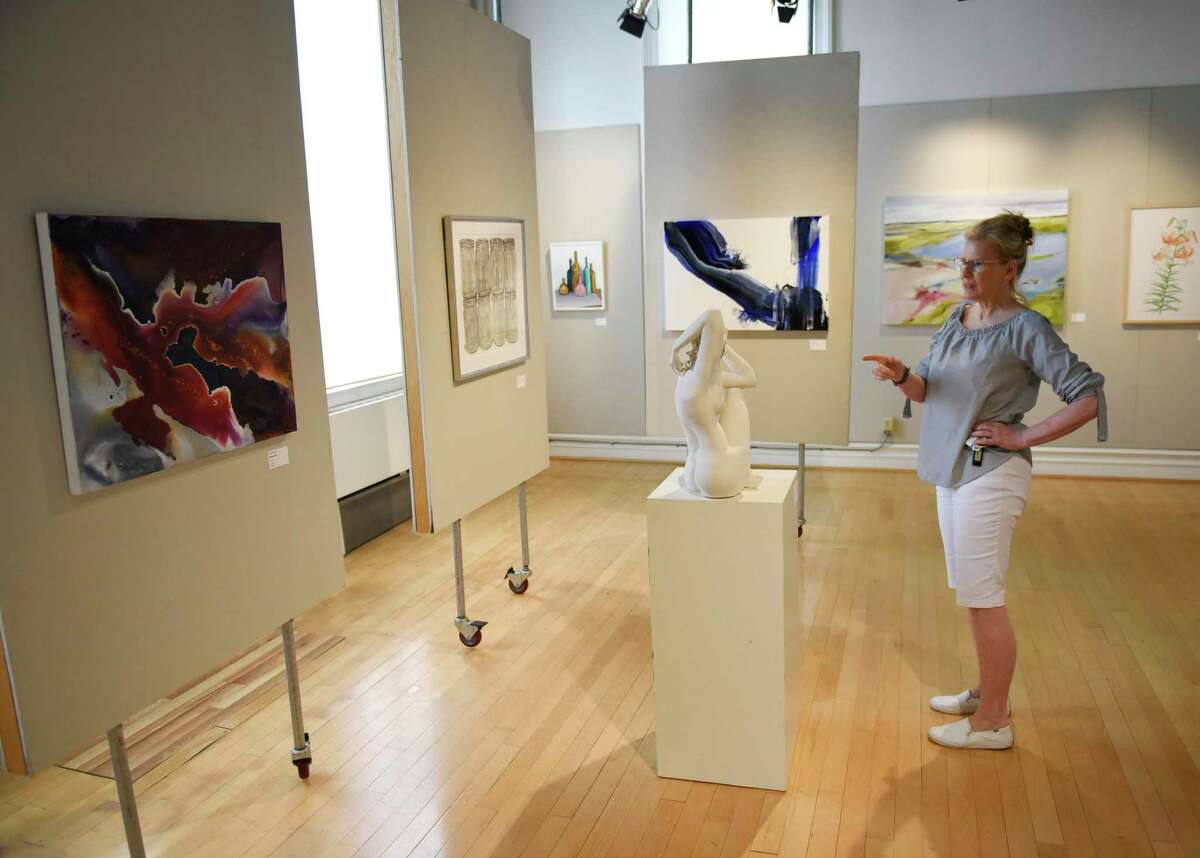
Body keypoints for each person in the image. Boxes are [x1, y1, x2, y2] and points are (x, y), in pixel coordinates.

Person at [863, 211, 1106, 751]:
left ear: (1011, 268)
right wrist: (902, 375)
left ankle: (993, 721)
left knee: (984, 598)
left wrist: (1023, 436)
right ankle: (986, 693)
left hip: (990, 476)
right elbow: (929, 389)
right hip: (952, 470)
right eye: (962, 262)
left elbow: (1086, 395)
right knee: (972, 594)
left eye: (977, 264)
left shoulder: (1028, 328)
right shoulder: (960, 315)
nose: (966, 272)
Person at [670, 310, 757, 498]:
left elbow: (750, 378)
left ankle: (740, 472)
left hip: (693, 472)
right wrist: (676, 347)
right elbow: (712, 316)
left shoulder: (692, 380)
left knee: (735, 388)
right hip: (716, 474)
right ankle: (742, 474)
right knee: (735, 394)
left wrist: (725, 350)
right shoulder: (702, 381)